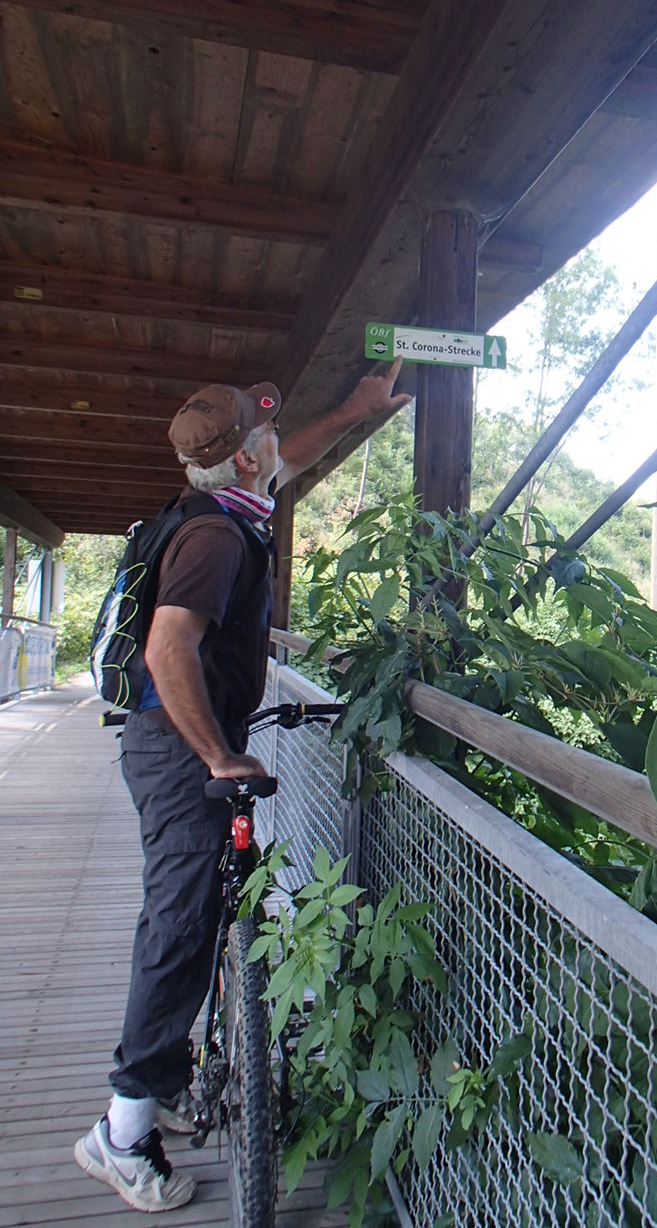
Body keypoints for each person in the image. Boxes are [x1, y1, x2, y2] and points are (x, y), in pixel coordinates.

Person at [75, 361, 408, 1212]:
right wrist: (219, 754)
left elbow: (293, 449)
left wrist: (357, 407)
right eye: (264, 429)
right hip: (178, 751)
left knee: (194, 912)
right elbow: (166, 650)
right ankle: (120, 1131)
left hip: (172, 744)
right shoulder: (218, 540)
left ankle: (170, 1079)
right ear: (247, 459)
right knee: (179, 927)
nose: (274, 437)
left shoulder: (220, 500)